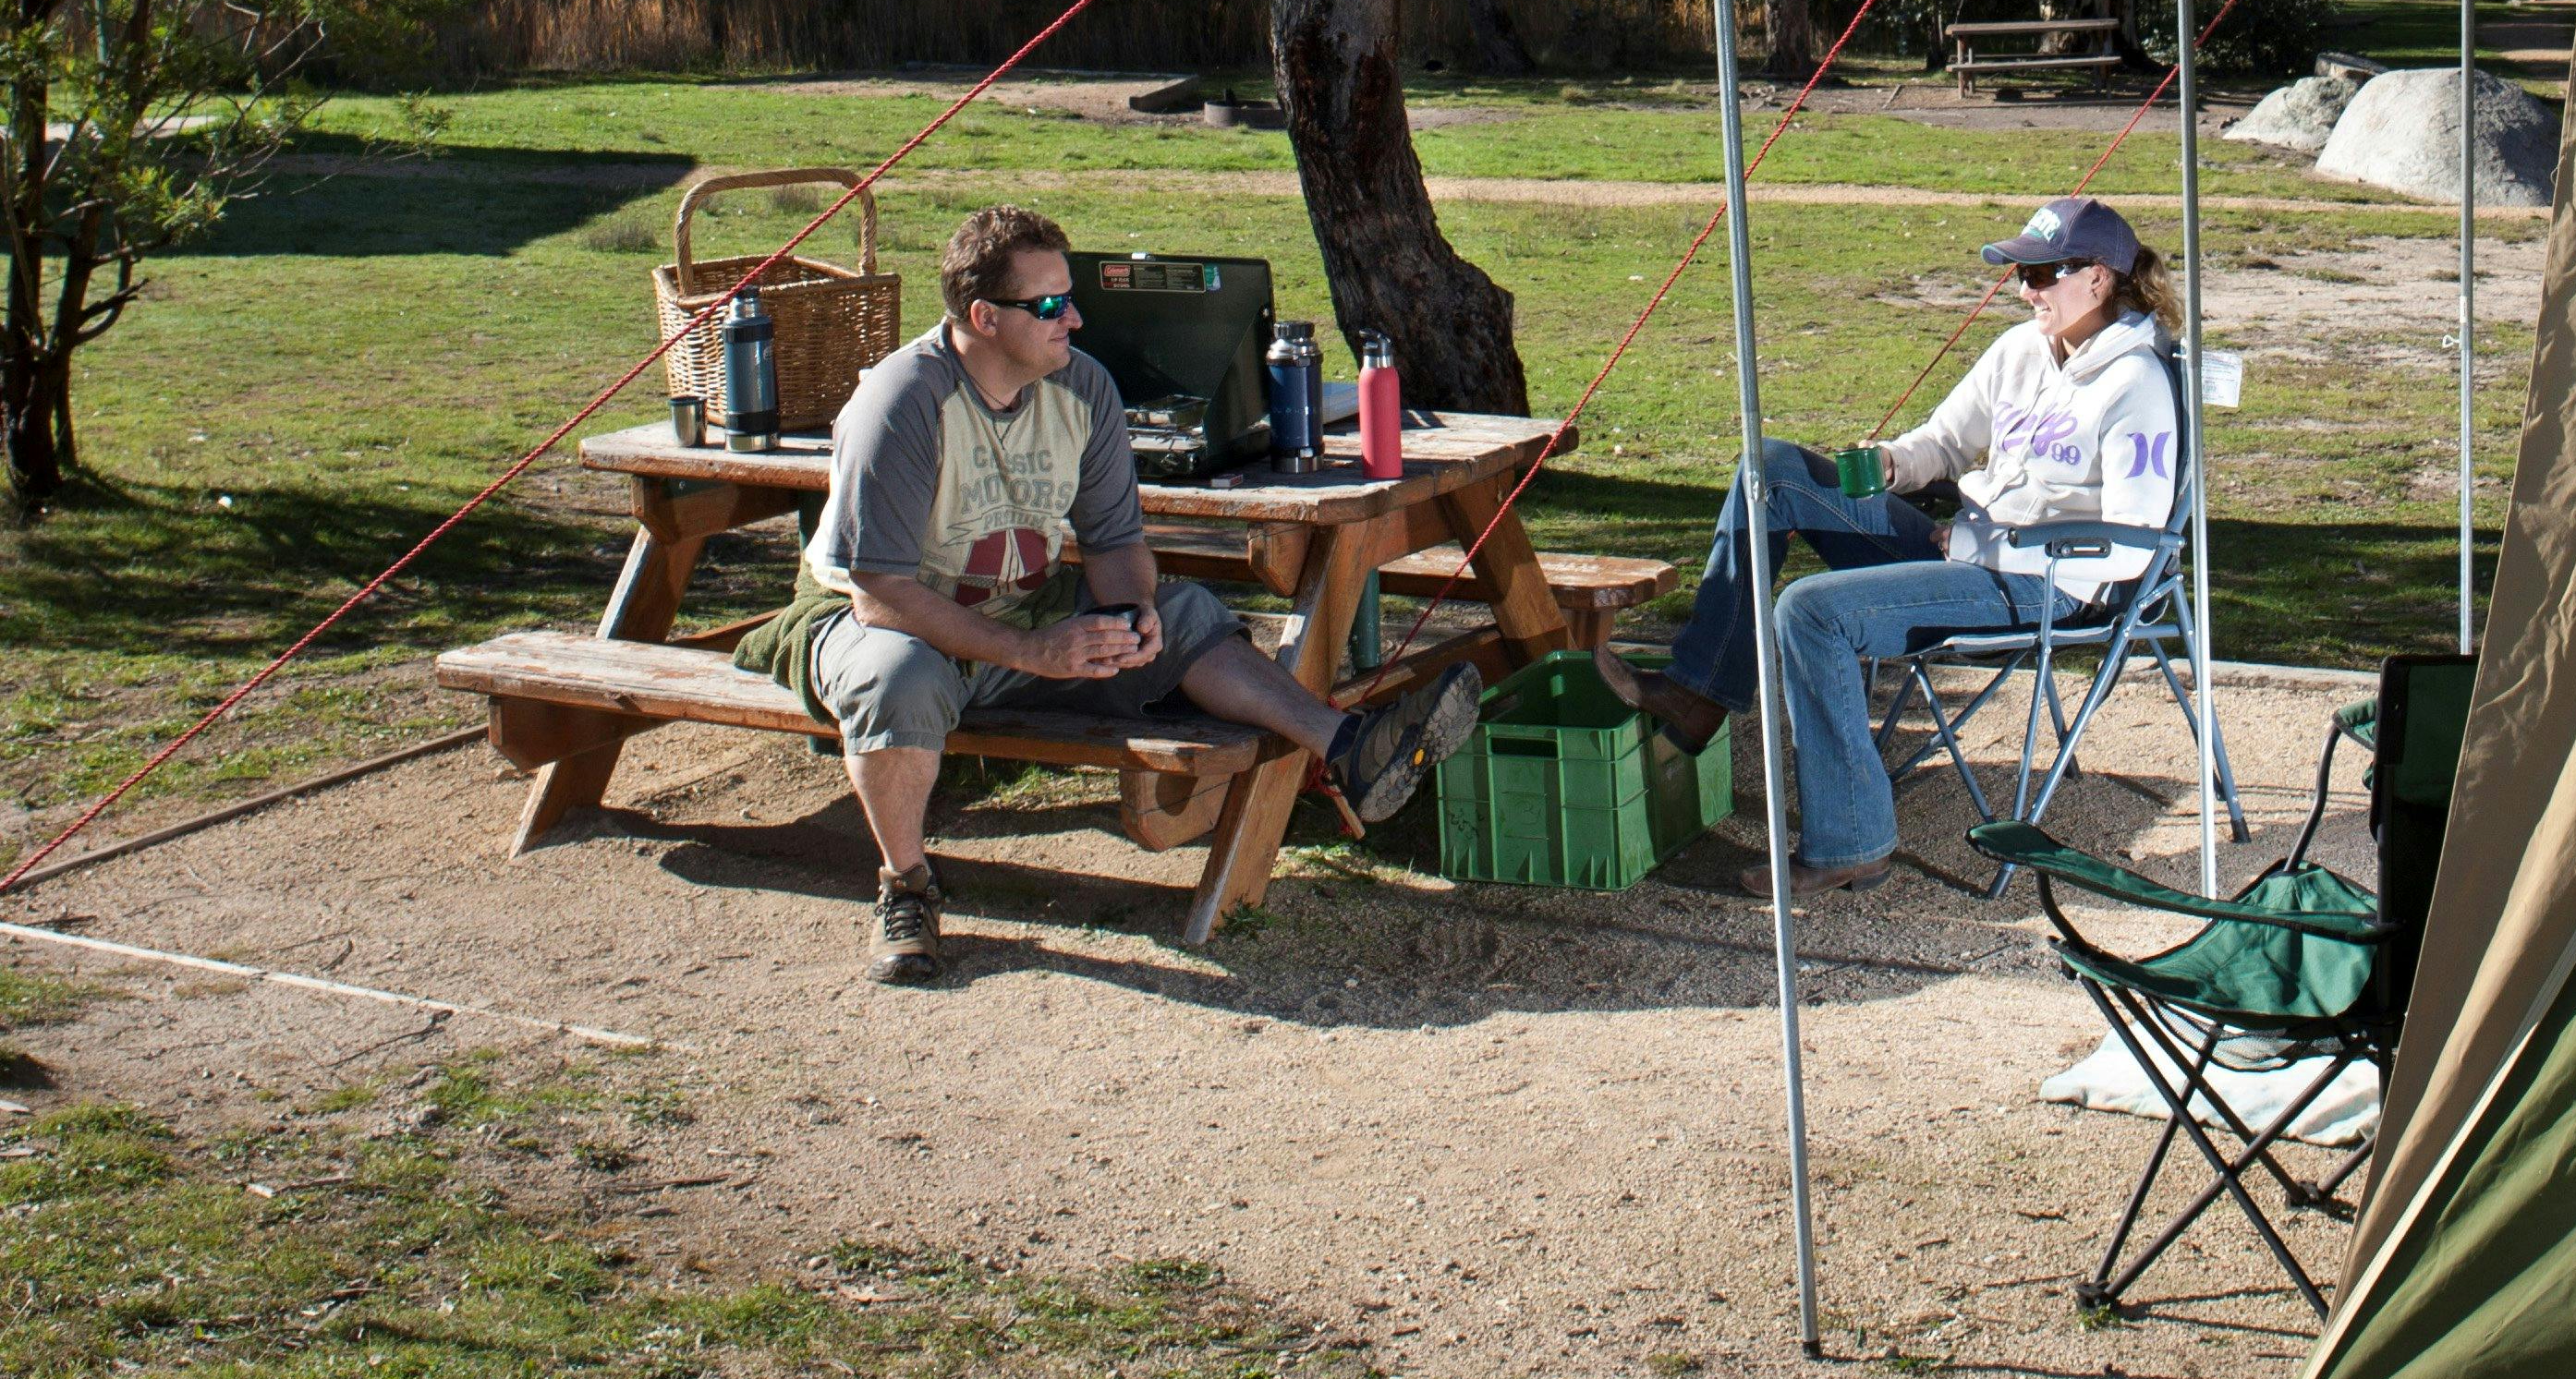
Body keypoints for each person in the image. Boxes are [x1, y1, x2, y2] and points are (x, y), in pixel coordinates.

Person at [743, 203, 1480, 981]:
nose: (1077, 319)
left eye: (1072, 297)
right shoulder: (904, 400)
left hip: (1017, 606)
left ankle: (1351, 749)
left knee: (1186, 613)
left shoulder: (1083, 387)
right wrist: (1033, 650)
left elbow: (1115, 542)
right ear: (984, 317)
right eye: (1052, 305)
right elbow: (879, 590)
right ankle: (907, 885)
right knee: (902, 679)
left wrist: (1131, 613)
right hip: (882, 620)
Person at [1599, 191, 2181, 892]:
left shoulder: (2136, 382)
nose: (2024, 289)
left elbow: (2133, 543)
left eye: (2041, 274)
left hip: (2050, 587)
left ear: (2099, 277)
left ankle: (1852, 841)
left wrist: (1975, 549)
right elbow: (1943, 441)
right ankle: (1703, 689)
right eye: (2019, 274)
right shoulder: (2020, 351)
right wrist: (1889, 464)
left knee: (1812, 611)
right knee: (1774, 469)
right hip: (1964, 546)